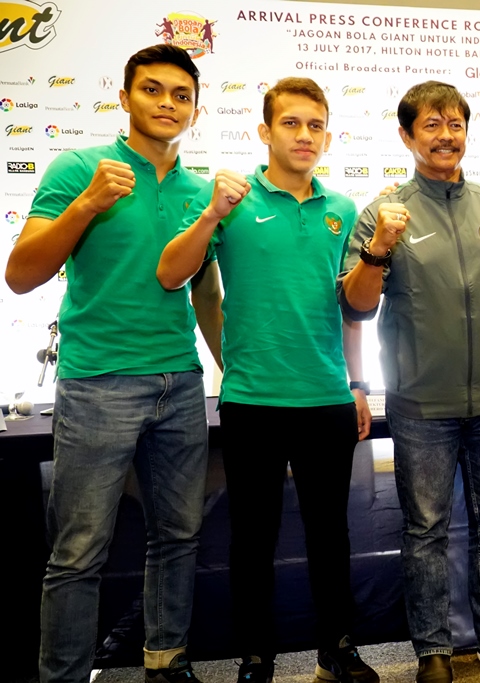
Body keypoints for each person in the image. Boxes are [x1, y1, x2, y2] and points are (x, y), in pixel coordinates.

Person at [5, 44, 218, 683]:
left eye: (181, 95)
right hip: (97, 383)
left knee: (177, 538)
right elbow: (20, 275)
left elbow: (205, 290)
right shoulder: (80, 168)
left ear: (195, 110)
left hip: (180, 381)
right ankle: (63, 677)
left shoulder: (201, 190)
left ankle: (166, 661)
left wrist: (232, 368)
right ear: (123, 98)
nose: (167, 104)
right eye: (152, 90)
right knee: (78, 552)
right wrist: (87, 204)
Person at [157, 77, 379, 683]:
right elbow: (171, 275)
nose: (304, 136)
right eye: (291, 124)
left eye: (315, 126)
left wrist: (359, 383)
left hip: (327, 398)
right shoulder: (228, 198)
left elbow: (354, 308)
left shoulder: (341, 210)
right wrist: (210, 215)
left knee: (331, 535)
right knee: (252, 540)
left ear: (328, 136)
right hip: (252, 400)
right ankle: (257, 657)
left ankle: (336, 649)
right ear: (265, 132)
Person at [338, 81, 480, 683]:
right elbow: (355, 306)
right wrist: (379, 248)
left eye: (455, 123)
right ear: (407, 136)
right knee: (426, 529)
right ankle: (432, 649)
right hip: (419, 403)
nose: (445, 135)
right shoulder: (382, 213)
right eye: (431, 125)